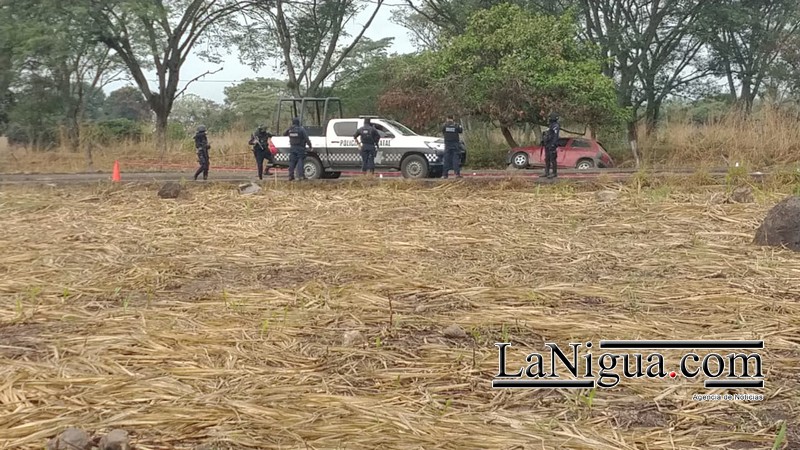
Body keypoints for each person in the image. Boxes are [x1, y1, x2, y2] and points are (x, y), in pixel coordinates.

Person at [284, 117, 312, 181]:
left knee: (292, 162)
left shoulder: (290, 129)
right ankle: (301, 176)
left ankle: (290, 176)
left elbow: (284, 134)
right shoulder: (301, 129)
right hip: (300, 148)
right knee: (300, 161)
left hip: (292, 147)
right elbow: (306, 138)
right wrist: (310, 146)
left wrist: (289, 129)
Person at [441, 115, 463, 179]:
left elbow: (443, 132)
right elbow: (460, 131)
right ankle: (457, 174)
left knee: (446, 159)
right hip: (455, 144)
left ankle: (445, 175)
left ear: (447, 118)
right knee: (455, 159)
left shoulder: (444, 125)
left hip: (447, 144)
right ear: (453, 118)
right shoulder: (456, 125)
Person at [541, 112, 560, 179]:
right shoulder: (551, 125)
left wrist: (553, 144)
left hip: (552, 145)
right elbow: (548, 134)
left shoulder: (555, 126)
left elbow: (555, 136)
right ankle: (547, 172)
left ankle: (554, 173)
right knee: (547, 159)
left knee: (553, 159)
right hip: (547, 144)